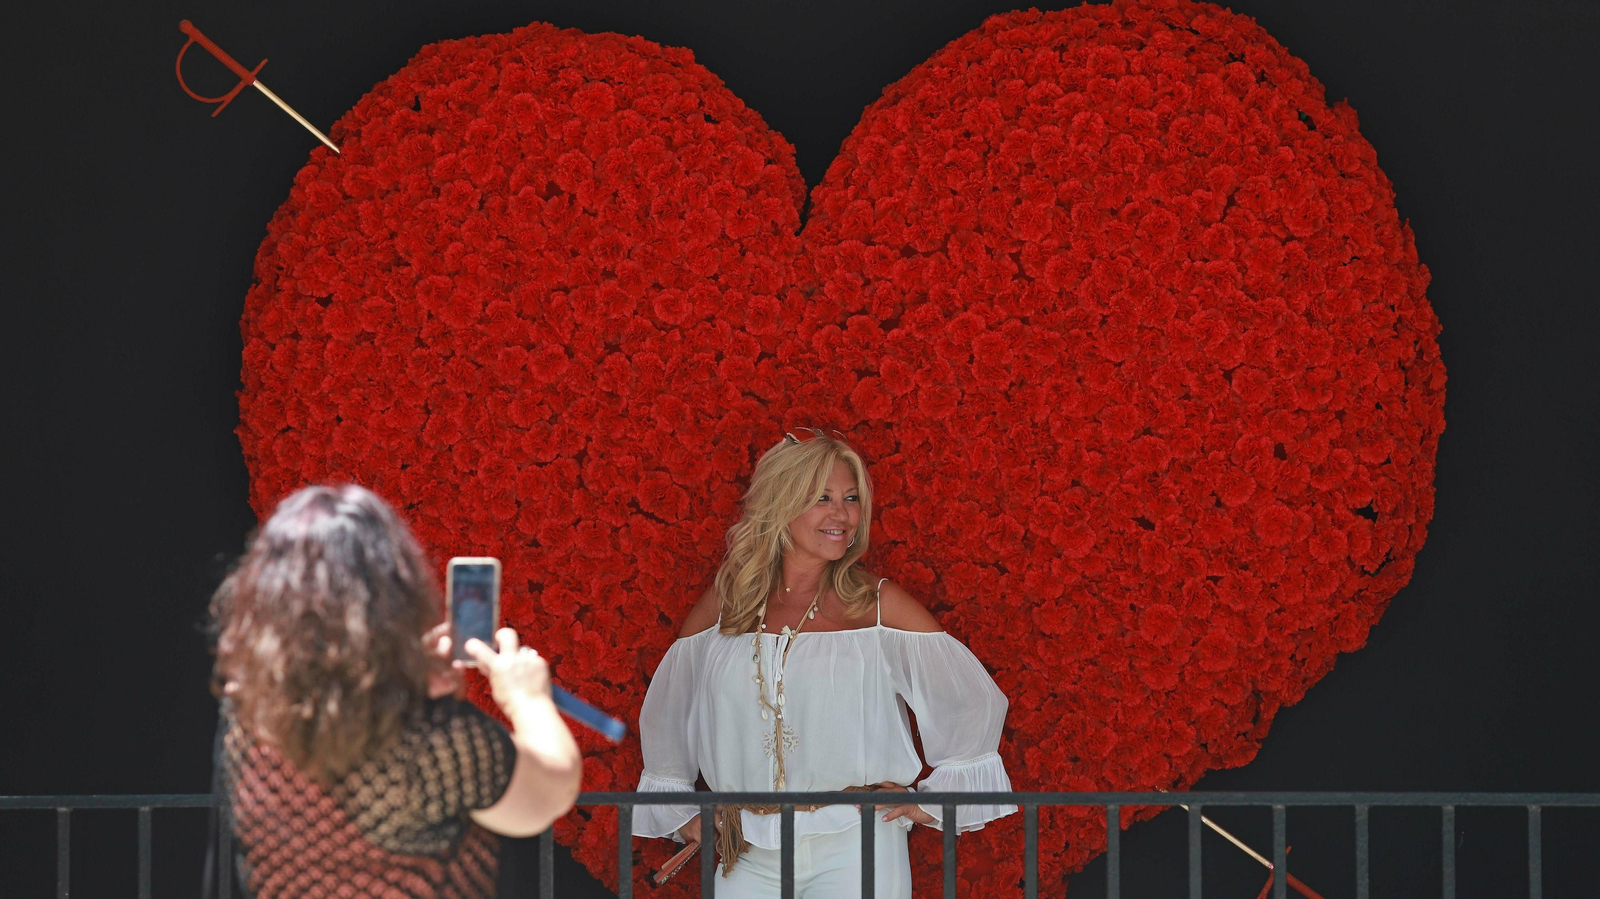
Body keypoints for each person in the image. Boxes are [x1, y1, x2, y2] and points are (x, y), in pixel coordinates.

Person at [635, 433, 1015, 898]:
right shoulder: (726, 604)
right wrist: (681, 813)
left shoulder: (877, 607)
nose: (842, 514)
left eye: (851, 499)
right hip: (747, 852)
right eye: (822, 498)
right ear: (781, 503)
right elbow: (669, 712)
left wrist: (929, 802)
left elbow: (973, 702)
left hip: (857, 846)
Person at [207, 485, 582, 899]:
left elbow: (335, 702)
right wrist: (526, 698)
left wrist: (403, 670)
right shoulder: (433, 737)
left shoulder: (246, 719)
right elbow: (553, 789)